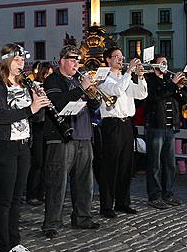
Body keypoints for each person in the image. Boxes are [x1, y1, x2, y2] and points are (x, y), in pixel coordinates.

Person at [0, 43, 49, 252]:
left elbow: (35, 117)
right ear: (6, 61)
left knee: (16, 198)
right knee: (3, 201)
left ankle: (14, 243)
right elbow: (2, 115)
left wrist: (39, 102)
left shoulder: (23, 84)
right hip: (3, 146)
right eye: (17, 60)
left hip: (23, 145)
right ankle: (2, 251)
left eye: (23, 60)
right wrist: (31, 108)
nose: (22, 64)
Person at [41, 46, 100, 238]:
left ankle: (82, 217)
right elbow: (58, 103)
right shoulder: (52, 80)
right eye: (73, 60)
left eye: (78, 61)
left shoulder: (77, 80)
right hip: (61, 137)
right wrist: (81, 88)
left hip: (84, 135)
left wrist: (92, 93)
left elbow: (94, 106)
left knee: (85, 181)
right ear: (62, 61)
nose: (76, 64)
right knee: (57, 181)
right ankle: (52, 223)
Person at [98, 47, 147, 218]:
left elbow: (141, 94)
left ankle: (122, 202)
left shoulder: (124, 78)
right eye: (116, 56)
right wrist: (129, 71)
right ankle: (106, 206)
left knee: (127, 165)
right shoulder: (103, 78)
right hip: (112, 124)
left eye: (121, 56)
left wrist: (140, 77)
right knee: (110, 166)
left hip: (127, 124)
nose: (120, 59)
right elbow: (117, 90)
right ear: (108, 60)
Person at [144, 54, 187, 209]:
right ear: (155, 66)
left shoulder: (170, 83)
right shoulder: (150, 81)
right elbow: (155, 97)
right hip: (156, 127)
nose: (165, 65)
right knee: (154, 164)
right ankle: (154, 196)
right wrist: (173, 85)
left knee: (169, 164)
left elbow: (184, 101)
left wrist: (180, 88)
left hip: (170, 127)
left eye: (166, 63)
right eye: (161, 63)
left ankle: (167, 193)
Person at [26, 61, 53, 207]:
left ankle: (41, 192)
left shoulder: (51, 86)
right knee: (37, 161)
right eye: (47, 73)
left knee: (46, 163)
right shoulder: (34, 86)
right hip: (38, 126)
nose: (49, 76)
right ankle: (32, 193)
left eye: (50, 73)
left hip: (48, 126)